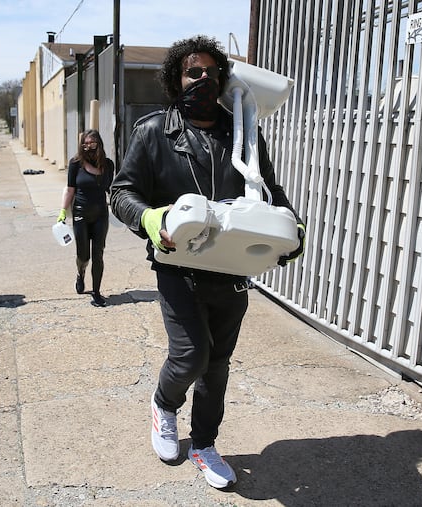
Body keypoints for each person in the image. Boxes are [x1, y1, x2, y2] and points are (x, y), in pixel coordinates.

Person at [110, 35, 304, 489]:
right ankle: (163, 404)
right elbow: (121, 193)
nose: (202, 79)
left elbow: (269, 190)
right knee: (192, 353)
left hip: (233, 266)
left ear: (223, 80)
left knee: (217, 363)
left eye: (211, 73)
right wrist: (152, 217)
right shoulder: (155, 131)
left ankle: (204, 444)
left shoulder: (243, 131)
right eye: (192, 72)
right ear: (176, 79)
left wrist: (292, 229)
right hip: (178, 261)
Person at [57, 129, 115, 307]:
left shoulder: (108, 165)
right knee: (83, 255)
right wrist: (62, 211)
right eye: (85, 144)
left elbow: (109, 190)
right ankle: (80, 273)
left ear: (99, 144)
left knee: (98, 254)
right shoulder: (76, 163)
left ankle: (97, 292)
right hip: (81, 213)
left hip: (100, 215)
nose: (88, 147)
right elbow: (70, 189)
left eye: (92, 143)